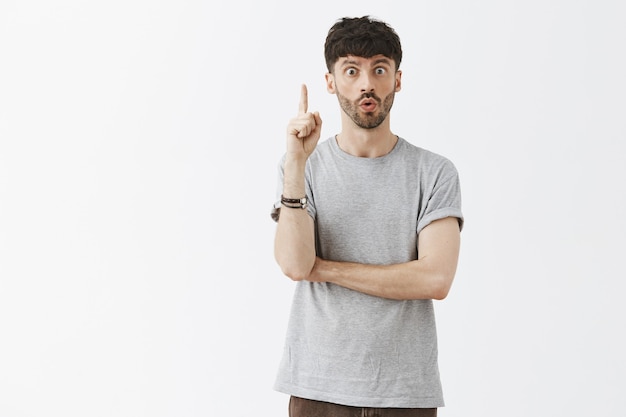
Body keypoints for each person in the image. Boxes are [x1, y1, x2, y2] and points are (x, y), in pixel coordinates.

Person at [271, 16, 463, 417]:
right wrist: (294, 165)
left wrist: (324, 269)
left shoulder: (434, 172)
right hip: (317, 386)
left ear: (397, 79)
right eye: (351, 70)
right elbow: (293, 263)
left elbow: (435, 278)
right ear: (330, 82)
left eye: (379, 69)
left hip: (405, 393)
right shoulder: (303, 169)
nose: (366, 84)